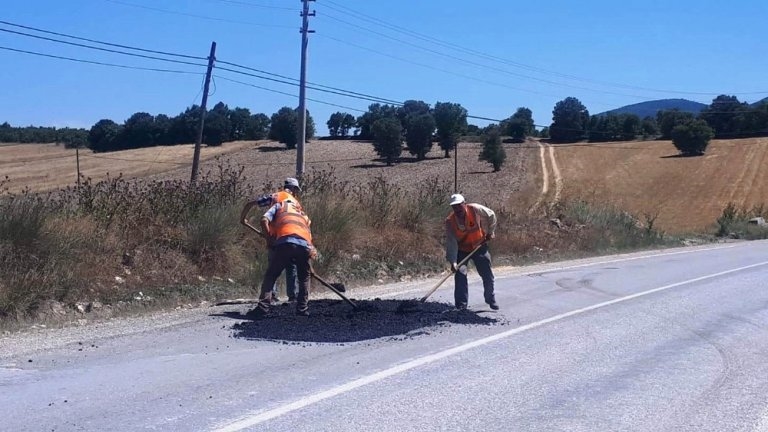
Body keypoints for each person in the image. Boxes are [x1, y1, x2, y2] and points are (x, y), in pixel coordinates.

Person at [250, 196, 317, 317]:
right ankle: (302, 309)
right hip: (305, 245)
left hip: (285, 243)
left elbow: (264, 220)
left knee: (271, 275)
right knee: (305, 278)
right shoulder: (303, 215)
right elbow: (309, 238)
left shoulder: (279, 206)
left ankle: (263, 307)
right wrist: (309, 267)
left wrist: (269, 239)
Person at [240, 178, 304, 303]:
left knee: (273, 268)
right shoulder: (295, 203)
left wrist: (243, 219)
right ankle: (293, 296)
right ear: (294, 189)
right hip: (292, 238)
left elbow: (250, 204)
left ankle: (272, 296)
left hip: (276, 239)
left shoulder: (274, 197)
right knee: (291, 266)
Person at [444, 193, 499, 311]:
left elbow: (492, 215)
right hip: (462, 250)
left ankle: (490, 298)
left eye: (459, 205)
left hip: (479, 247)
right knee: (460, 275)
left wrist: (490, 232)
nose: (457, 209)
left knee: (487, 274)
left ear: (464, 203)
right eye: (454, 207)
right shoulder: (450, 221)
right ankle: (461, 306)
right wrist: (453, 262)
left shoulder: (475, 209)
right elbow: (451, 242)